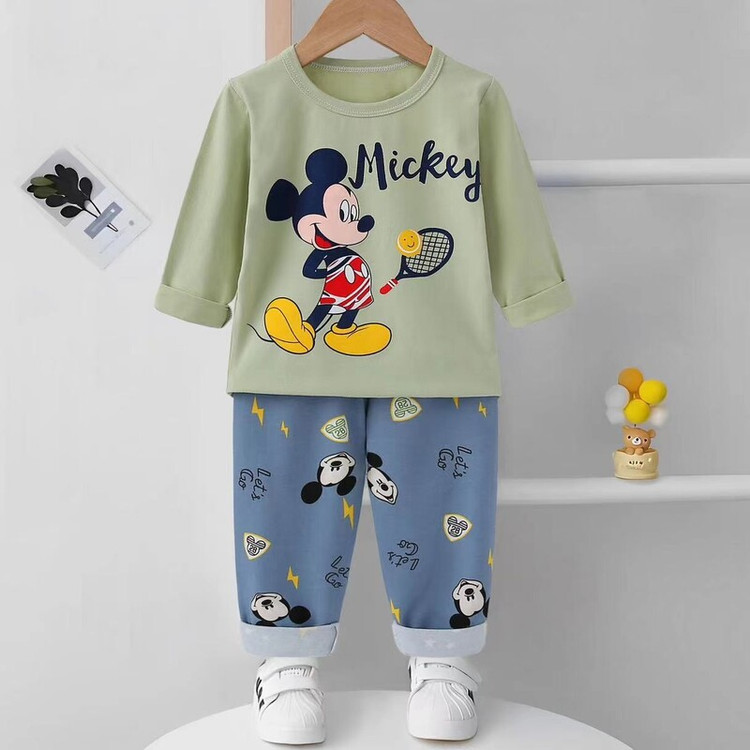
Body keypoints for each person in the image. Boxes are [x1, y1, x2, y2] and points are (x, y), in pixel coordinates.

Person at [155, 43, 573, 745]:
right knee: (285, 509)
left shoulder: (472, 100)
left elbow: (513, 214)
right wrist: (197, 286)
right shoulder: (254, 102)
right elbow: (214, 215)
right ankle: (285, 660)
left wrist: (530, 287)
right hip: (288, 374)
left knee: (441, 507)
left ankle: (443, 659)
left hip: (441, 362)